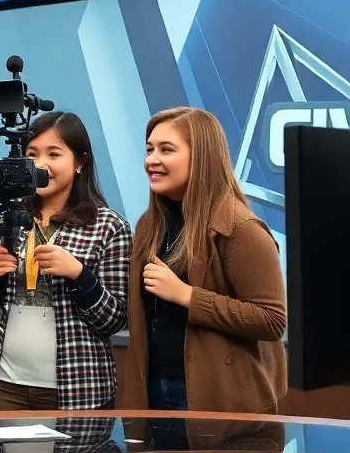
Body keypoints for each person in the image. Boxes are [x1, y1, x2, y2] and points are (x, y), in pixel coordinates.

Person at [120, 106, 287, 415]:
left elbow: (272, 320)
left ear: (201, 157)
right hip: (154, 392)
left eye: (166, 150)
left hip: (218, 402)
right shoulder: (149, 225)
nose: (151, 160)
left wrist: (187, 296)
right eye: (149, 149)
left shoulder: (240, 229)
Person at [0, 112, 132, 411]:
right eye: (32, 154)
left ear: (80, 162)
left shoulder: (109, 227)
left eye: (54, 154)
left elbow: (114, 320)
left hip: (78, 389)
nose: (40, 165)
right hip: (0, 382)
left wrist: (80, 276)